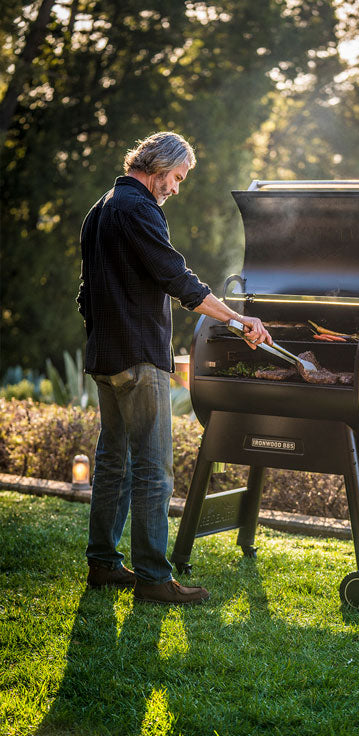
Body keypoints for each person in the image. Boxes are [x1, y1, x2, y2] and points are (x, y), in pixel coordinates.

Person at [77, 131, 272, 604]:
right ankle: (152, 577)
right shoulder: (139, 208)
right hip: (139, 359)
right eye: (177, 178)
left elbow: (86, 294)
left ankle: (102, 565)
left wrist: (108, 333)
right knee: (152, 469)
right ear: (158, 166)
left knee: (112, 464)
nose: (176, 189)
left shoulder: (100, 209)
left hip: (105, 358)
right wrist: (238, 317)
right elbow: (176, 278)